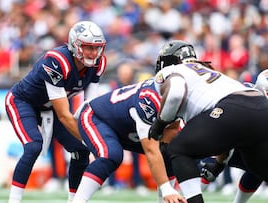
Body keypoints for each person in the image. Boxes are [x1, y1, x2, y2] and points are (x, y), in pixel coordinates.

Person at [148, 40, 268, 203]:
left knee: (179, 149)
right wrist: (218, 165)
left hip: (232, 107)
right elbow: (226, 131)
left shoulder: (172, 70)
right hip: (260, 107)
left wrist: (160, 123)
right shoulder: (209, 72)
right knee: (256, 167)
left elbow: (175, 93)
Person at [5, 20, 107, 203]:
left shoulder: (99, 63)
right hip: (23, 101)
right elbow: (64, 115)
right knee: (33, 146)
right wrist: (94, 141)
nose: (93, 53)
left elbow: (88, 107)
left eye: (96, 48)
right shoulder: (57, 61)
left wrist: (94, 138)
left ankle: (75, 200)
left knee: (81, 150)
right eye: (88, 47)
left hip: (51, 107)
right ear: (75, 45)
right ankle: (14, 201)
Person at [72, 78, 186, 203]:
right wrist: (166, 189)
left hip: (128, 128)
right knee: (111, 155)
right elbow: (151, 151)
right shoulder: (148, 99)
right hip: (98, 117)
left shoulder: (188, 98)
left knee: (170, 151)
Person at [200, 68, 268, 203]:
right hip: (222, 139)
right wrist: (219, 162)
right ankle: (189, 196)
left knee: (259, 167)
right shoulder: (242, 99)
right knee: (210, 166)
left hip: (247, 143)